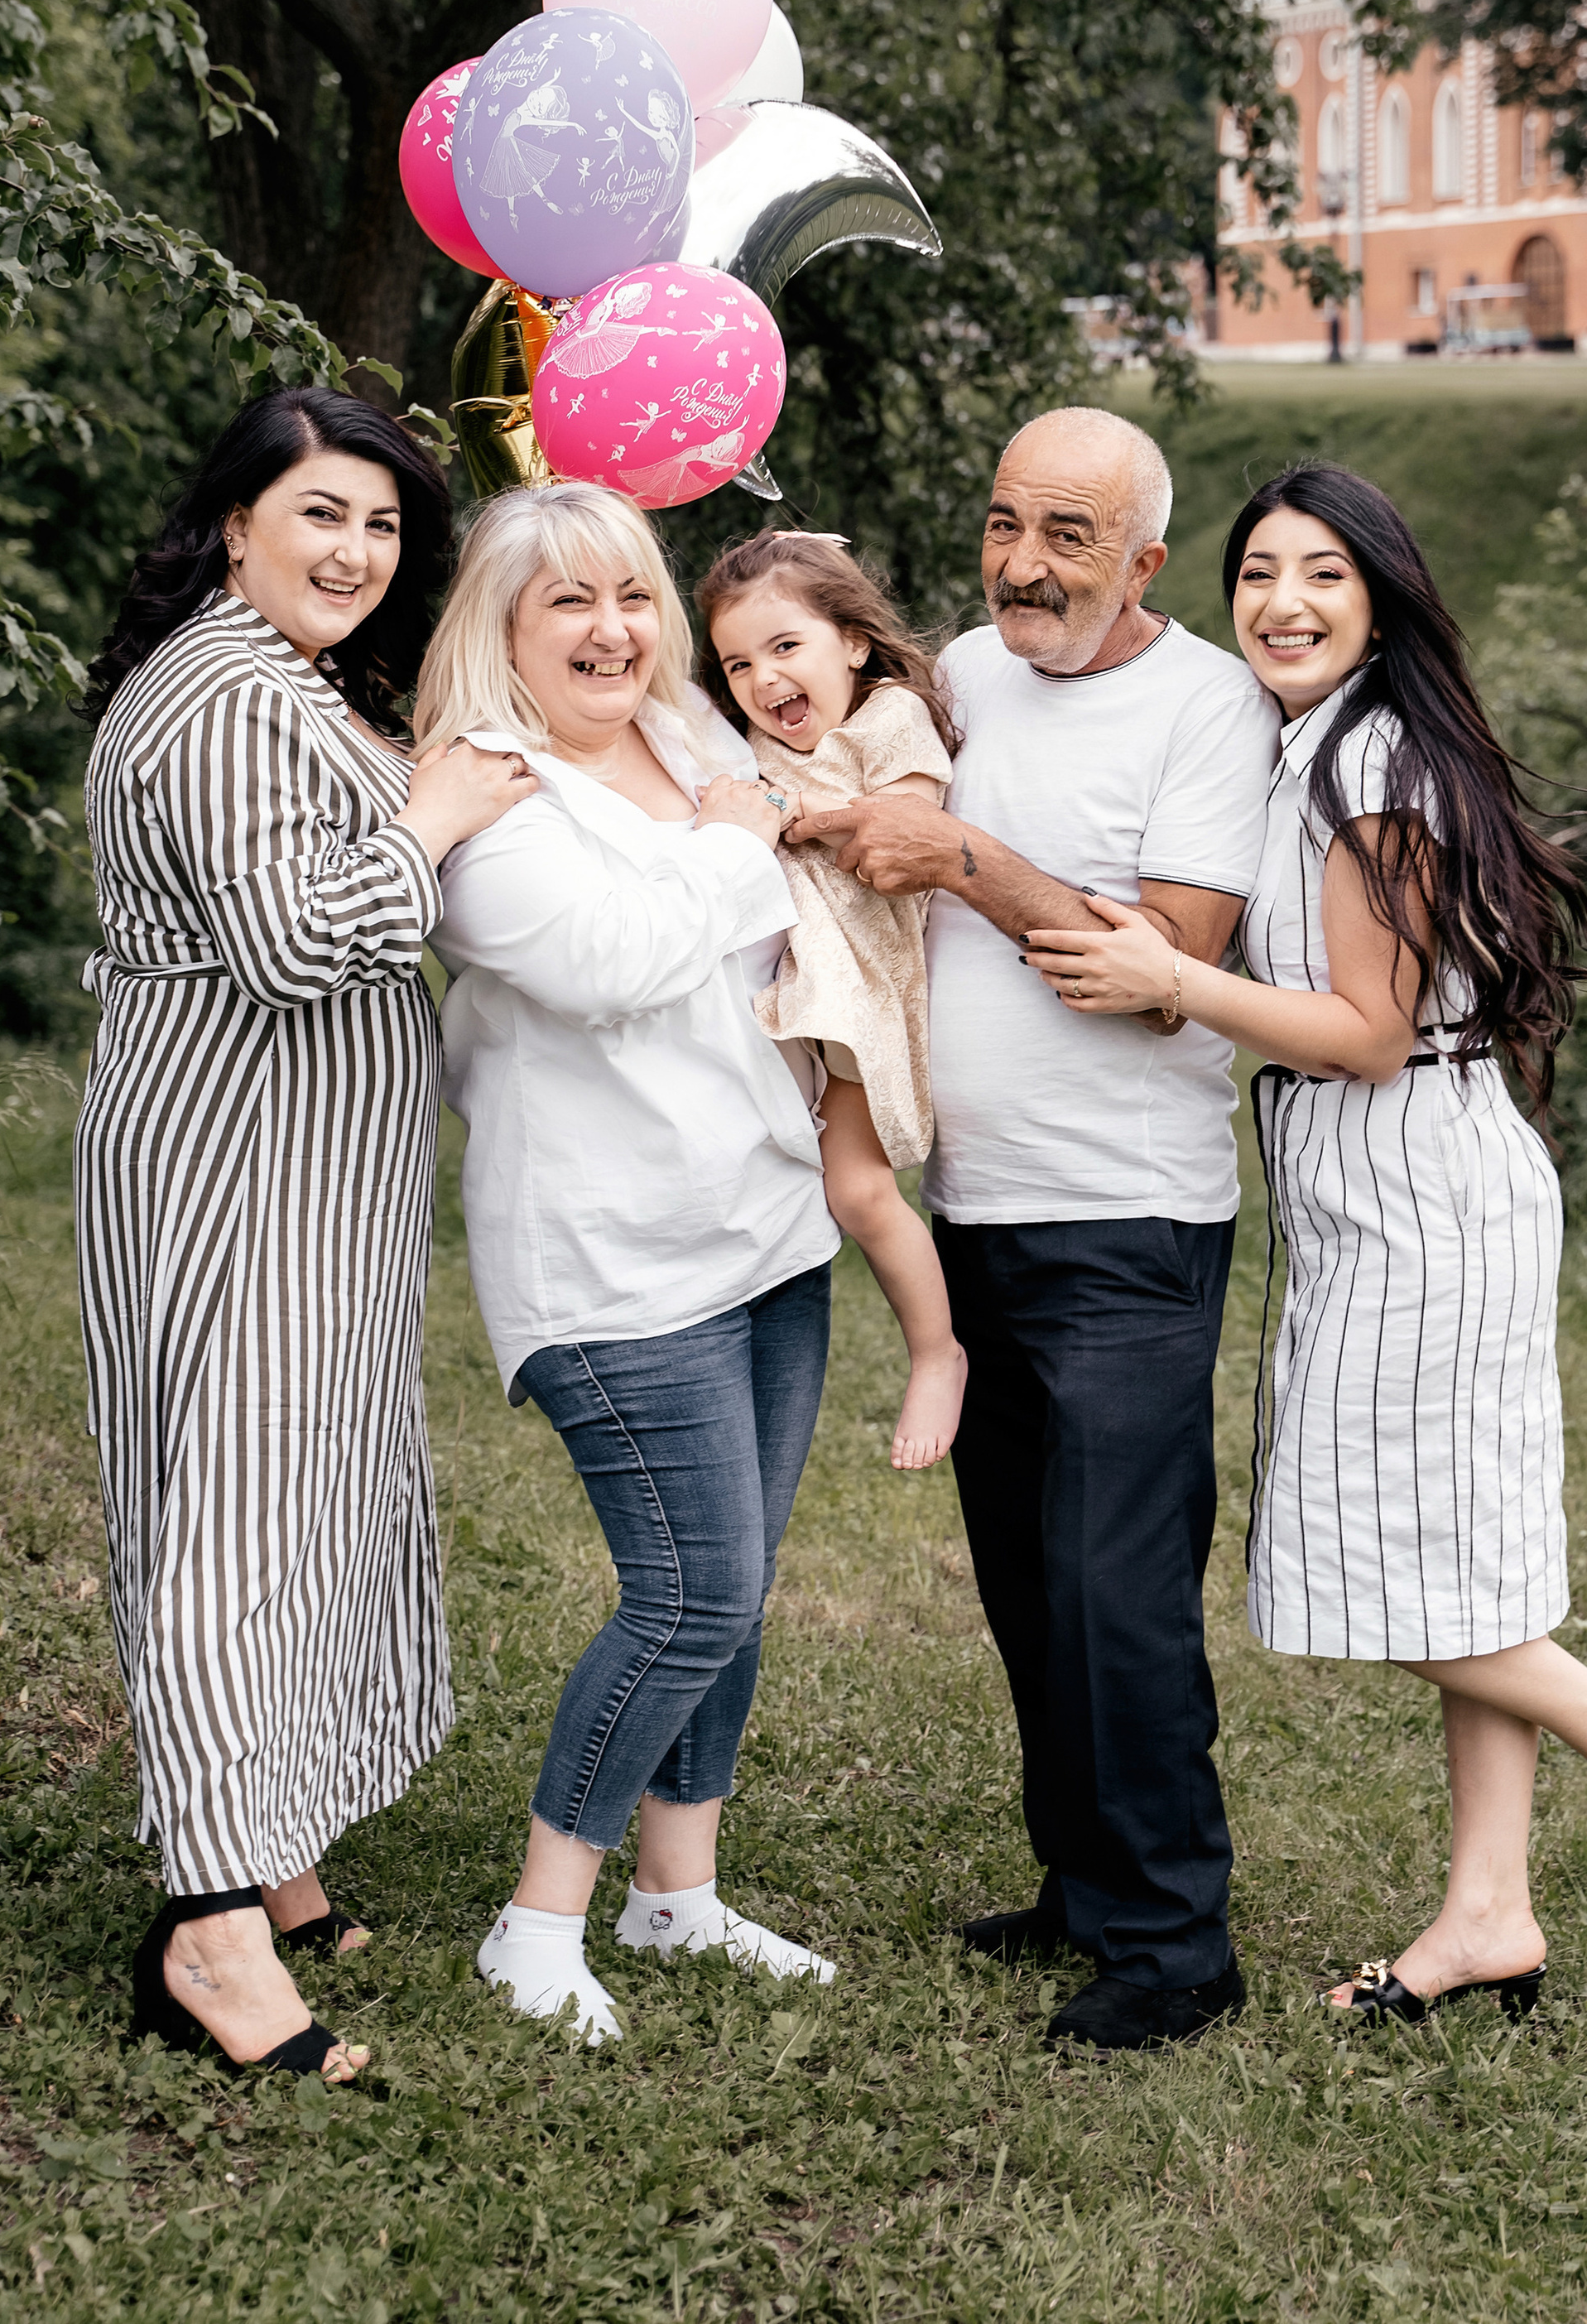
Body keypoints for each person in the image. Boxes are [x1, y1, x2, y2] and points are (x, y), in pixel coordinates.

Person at [1025, 462, 1587, 2023]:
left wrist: (1174, 979)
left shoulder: (1374, 769)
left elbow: (1363, 1031)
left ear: (1384, 597)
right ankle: (1490, 1916)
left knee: (1384, 1573)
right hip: (1392, 1180)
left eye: (1324, 575)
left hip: (1419, 1186)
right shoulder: (1322, 745)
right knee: (1463, 1565)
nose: (1283, 602)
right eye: (1259, 573)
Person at [788, 408, 1280, 2052]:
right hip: (973, 1215)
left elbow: (1170, 966)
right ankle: (1080, 1886)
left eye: (1067, 535)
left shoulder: (1205, 704)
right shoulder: (956, 678)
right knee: (1025, 1582)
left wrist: (972, 860)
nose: (1023, 562)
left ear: (1140, 559)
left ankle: (1172, 1946)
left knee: (1113, 1589)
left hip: (1127, 1222)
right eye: (1004, 522)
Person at [79, 387, 534, 2084]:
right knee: (232, 1510)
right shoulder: (213, 698)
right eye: (320, 516)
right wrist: (432, 816)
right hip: (234, 1162)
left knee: (297, 1481)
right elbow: (293, 941)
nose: (355, 552)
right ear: (232, 525)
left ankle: (271, 1851)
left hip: (305, 1169)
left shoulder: (276, 681)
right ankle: (206, 1930)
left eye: (383, 525)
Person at [421, 483, 843, 2044]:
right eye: (567, 605)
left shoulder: (690, 742)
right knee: (690, 1591)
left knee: (739, 1593)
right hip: (607, 1261)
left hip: (767, 1226)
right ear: (502, 629)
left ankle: (679, 1894)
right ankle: (537, 1924)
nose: (613, 631)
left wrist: (730, 833)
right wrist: (736, 850)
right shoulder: (486, 796)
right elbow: (610, 965)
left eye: (633, 596)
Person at [695, 530, 967, 1471]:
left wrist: (784, 821)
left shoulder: (889, 719)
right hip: (786, 991)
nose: (763, 677)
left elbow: (906, 829)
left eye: (784, 647)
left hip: (856, 991)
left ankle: (936, 1351)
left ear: (851, 642)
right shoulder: (755, 743)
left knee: (855, 1189)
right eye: (737, 662)